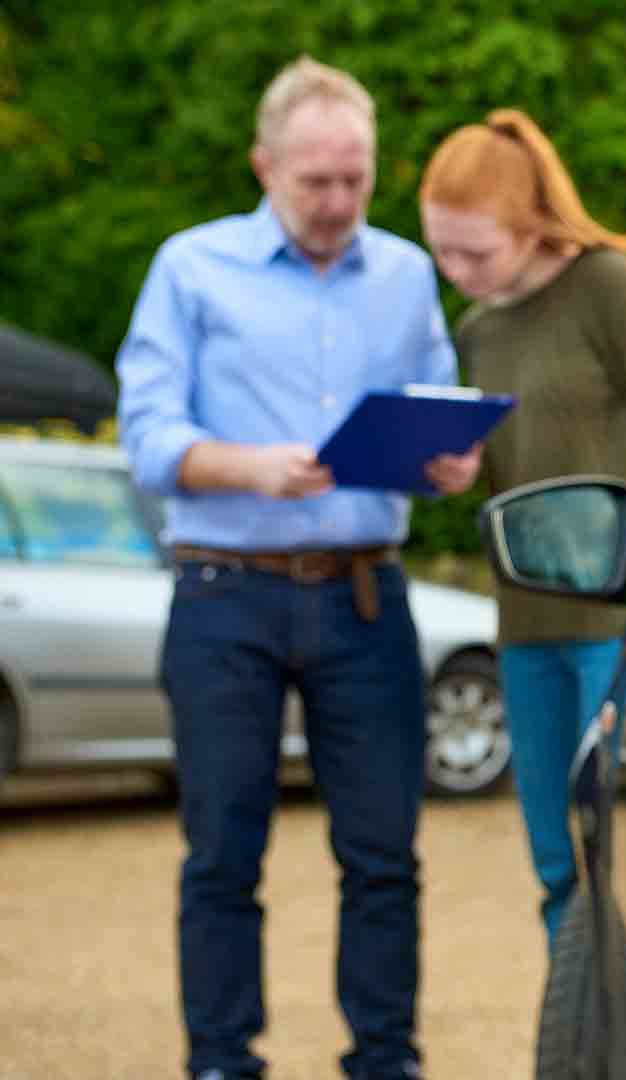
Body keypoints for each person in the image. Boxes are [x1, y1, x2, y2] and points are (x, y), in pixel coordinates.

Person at [116, 56, 475, 1080]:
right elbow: (145, 436)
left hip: (366, 596)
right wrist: (247, 466)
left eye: (354, 180)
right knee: (222, 854)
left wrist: (456, 462)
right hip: (223, 596)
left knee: (382, 859)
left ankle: (384, 1060)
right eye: (315, 181)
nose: (336, 202)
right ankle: (223, 1061)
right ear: (263, 165)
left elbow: (440, 414)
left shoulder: (407, 275)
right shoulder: (189, 266)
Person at [416, 109, 626, 944]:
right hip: (526, 623)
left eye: (474, 250)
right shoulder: (478, 330)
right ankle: (580, 1040)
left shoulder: (610, 287)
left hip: (622, 623)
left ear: (532, 222)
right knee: (554, 862)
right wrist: (463, 475)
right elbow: (512, 485)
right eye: (442, 250)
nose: (455, 270)